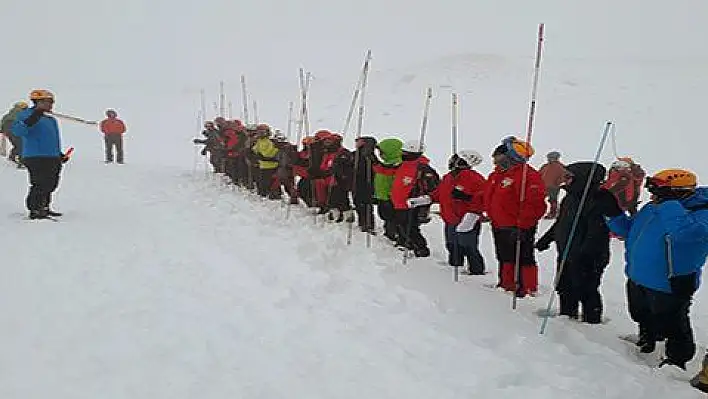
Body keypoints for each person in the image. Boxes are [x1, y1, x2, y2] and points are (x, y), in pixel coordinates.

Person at [604, 168, 708, 370]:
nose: (653, 195)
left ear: (679, 192)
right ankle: (647, 340)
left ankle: (677, 359)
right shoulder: (653, 207)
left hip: (670, 280)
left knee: (673, 322)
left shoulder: (702, 213)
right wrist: (613, 214)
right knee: (641, 313)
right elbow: (627, 230)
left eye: (659, 191)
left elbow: (684, 234)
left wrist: (669, 204)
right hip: (639, 275)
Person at [535, 162, 612, 323]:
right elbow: (562, 222)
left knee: (586, 289)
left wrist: (584, 255)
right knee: (564, 287)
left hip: (588, 257)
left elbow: (597, 233)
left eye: (570, 177)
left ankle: (592, 322)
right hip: (566, 252)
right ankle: (567, 317)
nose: (566, 180)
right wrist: (547, 239)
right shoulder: (570, 197)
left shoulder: (600, 200)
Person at [485, 136, 546, 297]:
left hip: (519, 225)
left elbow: (535, 204)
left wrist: (523, 225)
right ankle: (507, 284)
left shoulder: (528, 176)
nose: (495, 160)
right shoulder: (496, 175)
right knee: (504, 255)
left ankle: (527, 288)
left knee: (523, 257)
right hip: (499, 224)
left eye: (498, 157)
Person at [426, 150, 487, 274]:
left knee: (469, 246)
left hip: (466, 219)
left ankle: (477, 271)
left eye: (455, 159)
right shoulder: (448, 177)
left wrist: (466, 197)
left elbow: (484, 198)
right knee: (452, 244)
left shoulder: (475, 178)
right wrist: (428, 198)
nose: (451, 161)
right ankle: (455, 265)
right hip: (450, 218)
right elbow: (439, 193)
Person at [11, 89, 70, 219]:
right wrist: (32, 118)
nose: (51, 105)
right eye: (48, 102)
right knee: (39, 183)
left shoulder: (50, 120)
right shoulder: (25, 115)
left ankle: (44, 206)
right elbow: (18, 131)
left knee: (51, 183)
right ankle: (35, 209)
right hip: (35, 156)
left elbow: (50, 140)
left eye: (52, 102)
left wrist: (59, 154)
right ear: (38, 102)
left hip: (52, 156)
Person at [390, 140, 440, 257]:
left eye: (405, 152)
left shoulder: (423, 169)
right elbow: (388, 170)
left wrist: (422, 200)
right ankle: (407, 244)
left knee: (410, 227)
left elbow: (434, 187)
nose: (402, 154)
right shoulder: (402, 165)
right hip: (400, 203)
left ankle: (421, 248)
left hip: (413, 204)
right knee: (402, 225)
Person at [538, 151, 567, 219]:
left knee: (552, 200)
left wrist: (557, 182)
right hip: (543, 186)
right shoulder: (545, 166)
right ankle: (539, 212)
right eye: (549, 157)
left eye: (551, 157)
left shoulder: (561, 166)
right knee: (539, 199)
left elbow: (565, 176)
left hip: (553, 187)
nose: (549, 159)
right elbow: (538, 174)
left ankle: (553, 213)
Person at [1, 101, 29, 167]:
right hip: (14, 129)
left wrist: (3, 130)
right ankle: (21, 162)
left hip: (7, 130)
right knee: (21, 144)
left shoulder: (9, 113)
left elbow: (2, 122)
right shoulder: (21, 113)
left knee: (17, 144)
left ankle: (12, 157)